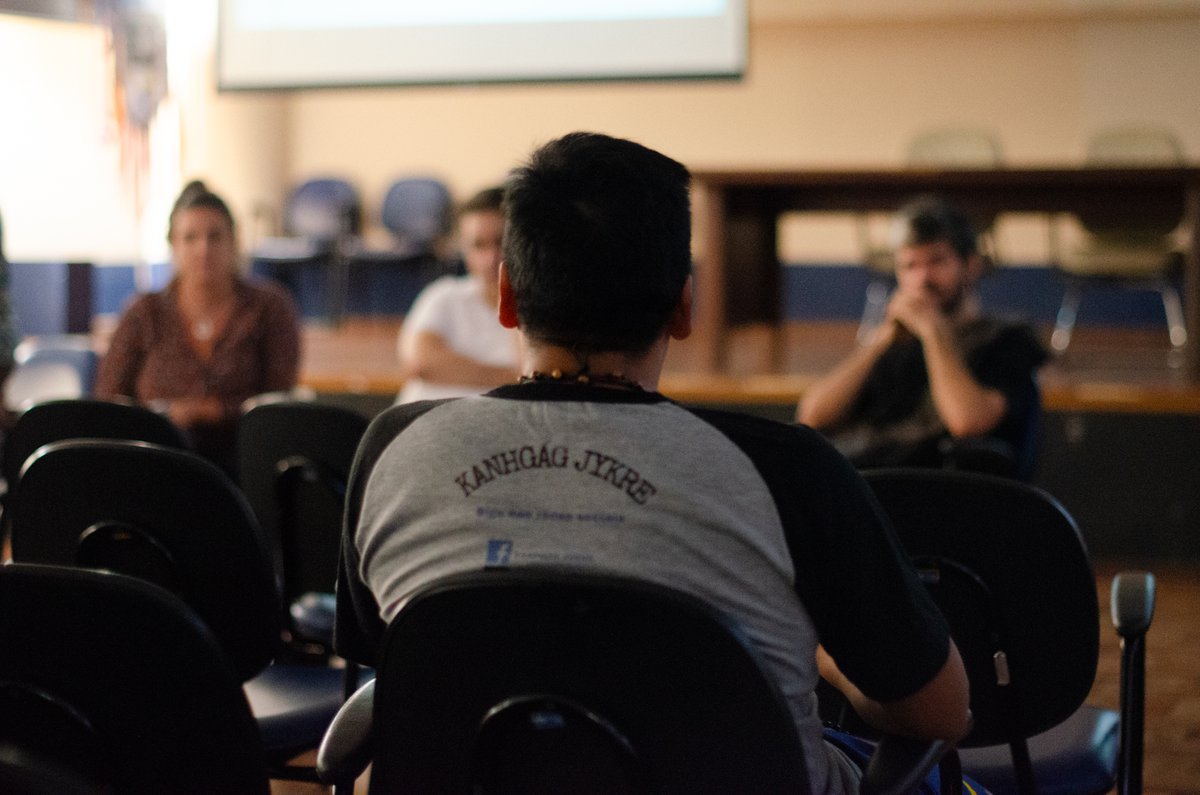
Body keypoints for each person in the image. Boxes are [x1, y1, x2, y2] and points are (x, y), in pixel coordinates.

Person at [337, 132, 972, 793]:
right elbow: (941, 712)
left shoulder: (394, 452)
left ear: (506, 298)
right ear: (684, 305)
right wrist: (829, 665)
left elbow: (387, 664)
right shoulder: (790, 471)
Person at [797, 195, 1048, 471]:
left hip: (946, 490)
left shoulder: (1009, 339)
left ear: (971, 266)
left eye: (937, 262)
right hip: (869, 481)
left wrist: (933, 331)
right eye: (910, 266)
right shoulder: (894, 343)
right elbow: (812, 417)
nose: (922, 279)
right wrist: (879, 342)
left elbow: (967, 422)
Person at [95, 180, 300, 473]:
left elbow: (278, 403)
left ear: (233, 242)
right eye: (190, 238)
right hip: (154, 461)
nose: (203, 249)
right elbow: (110, 400)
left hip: (243, 462)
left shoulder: (269, 308)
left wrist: (209, 411)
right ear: (173, 245)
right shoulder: (143, 311)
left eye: (214, 236)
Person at [394, 186, 520, 403]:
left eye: (501, 243)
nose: (490, 259)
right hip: (416, 428)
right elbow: (420, 362)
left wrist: (456, 369)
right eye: (478, 245)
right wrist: (513, 379)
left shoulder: (538, 312)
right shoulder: (444, 295)